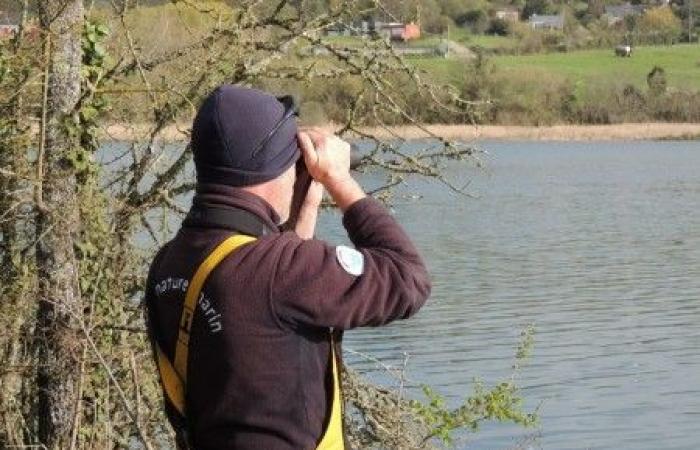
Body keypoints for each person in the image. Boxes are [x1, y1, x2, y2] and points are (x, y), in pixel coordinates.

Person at [144, 84, 431, 450]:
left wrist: (296, 225)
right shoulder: (282, 272)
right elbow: (408, 278)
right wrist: (340, 181)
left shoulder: (169, 262)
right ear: (273, 170)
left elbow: (257, 332)